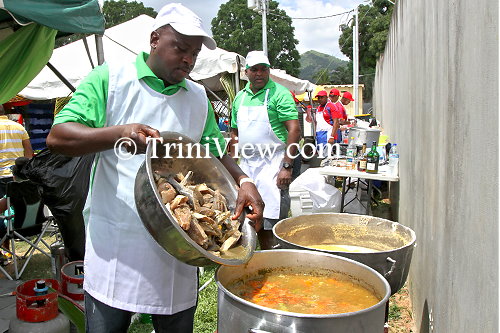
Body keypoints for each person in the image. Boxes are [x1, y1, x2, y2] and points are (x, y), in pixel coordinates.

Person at [46, 4, 264, 332]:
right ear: (154, 39)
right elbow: (58, 136)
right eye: (180, 48)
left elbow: (214, 152)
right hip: (118, 243)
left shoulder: (197, 97)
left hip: (180, 245)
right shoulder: (111, 78)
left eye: (194, 53)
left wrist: (243, 179)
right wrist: (117, 133)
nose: (188, 60)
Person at [229, 51, 300, 250]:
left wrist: (287, 166)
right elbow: (234, 133)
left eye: (264, 69)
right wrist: (232, 166)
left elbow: (294, 130)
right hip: (247, 168)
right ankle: (246, 264)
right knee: (243, 220)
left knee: (270, 226)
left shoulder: (279, 93)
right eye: (254, 69)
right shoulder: (240, 98)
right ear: (246, 72)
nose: (259, 73)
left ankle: (272, 262)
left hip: (273, 167)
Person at [0, 156, 31, 265]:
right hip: (36, 226)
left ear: (14, 176)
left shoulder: (14, 190)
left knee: (2, 221)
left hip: (15, 228)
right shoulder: (38, 186)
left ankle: (2, 255)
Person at [0, 104, 33, 197]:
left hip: (1, 176)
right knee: (17, 206)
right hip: (17, 175)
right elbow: (29, 151)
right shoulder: (19, 127)